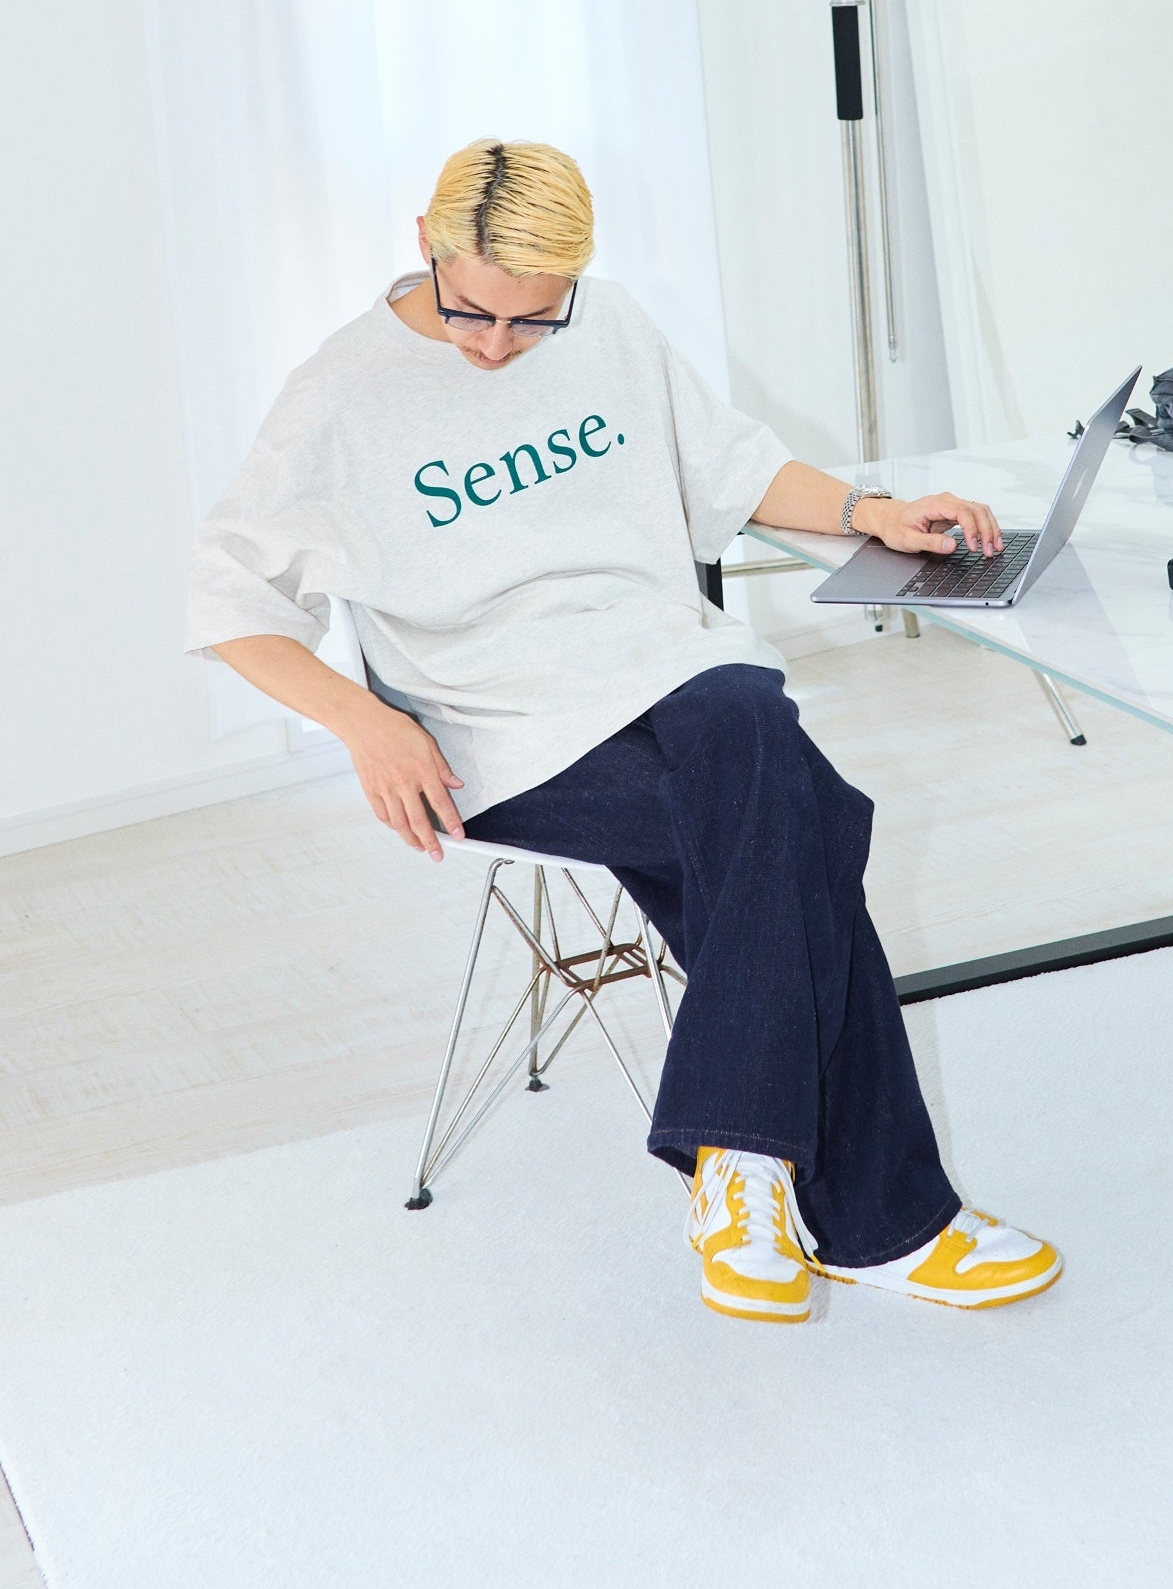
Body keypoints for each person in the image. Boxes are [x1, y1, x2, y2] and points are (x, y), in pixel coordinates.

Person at [188, 138, 1062, 1324]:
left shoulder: (612, 328)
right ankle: (883, 1221)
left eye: (532, 318)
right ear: (426, 245)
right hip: (495, 732)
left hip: (662, 671)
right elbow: (230, 600)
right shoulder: (340, 394)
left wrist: (875, 513)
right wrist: (362, 721)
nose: (496, 345)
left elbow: (734, 468)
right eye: (473, 311)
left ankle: (741, 1164)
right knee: (797, 820)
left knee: (746, 718)